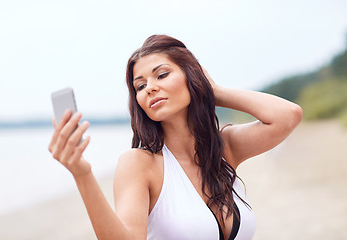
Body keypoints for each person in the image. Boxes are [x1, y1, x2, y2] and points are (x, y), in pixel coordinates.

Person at [48, 35, 303, 240]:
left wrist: (213, 91)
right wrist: (83, 175)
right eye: (140, 85)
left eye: (161, 75)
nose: (150, 87)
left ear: (191, 76)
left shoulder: (224, 148)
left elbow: (287, 115)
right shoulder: (140, 164)